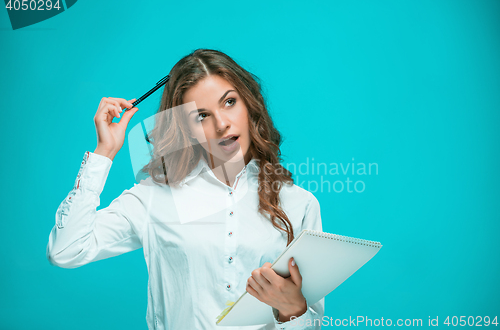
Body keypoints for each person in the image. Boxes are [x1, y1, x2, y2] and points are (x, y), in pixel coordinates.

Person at [46, 48, 324, 330]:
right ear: (186, 128)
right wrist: (104, 152)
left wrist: (294, 310)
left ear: (250, 104)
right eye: (201, 115)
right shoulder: (154, 197)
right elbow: (65, 251)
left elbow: (313, 322)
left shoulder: (298, 204)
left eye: (229, 102)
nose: (221, 124)